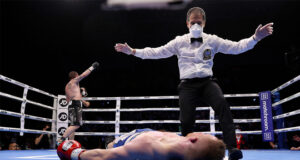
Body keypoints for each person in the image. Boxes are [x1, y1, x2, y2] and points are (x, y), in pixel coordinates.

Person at [115, 7, 273, 160]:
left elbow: (236, 47)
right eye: (192, 22)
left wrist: (255, 38)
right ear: (187, 24)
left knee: (223, 105)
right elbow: (157, 52)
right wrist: (133, 51)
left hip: (207, 82)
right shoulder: (179, 41)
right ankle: (184, 152)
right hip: (187, 85)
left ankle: (232, 149)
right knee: (186, 120)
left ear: (204, 23)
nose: (195, 25)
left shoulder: (212, 40)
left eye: (198, 22)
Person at [57, 128, 225, 160]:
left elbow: (105, 156)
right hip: (144, 133)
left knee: (110, 146)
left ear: (194, 139)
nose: (202, 132)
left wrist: (74, 153)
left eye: (205, 134)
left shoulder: (150, 147)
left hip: (126, 141)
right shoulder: (184, 146)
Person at [57, 62, 99, 145]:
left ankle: (70, 143)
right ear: (76, 75)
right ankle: (61, 139)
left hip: (71, 105)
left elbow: (68, 99)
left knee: (73, 126)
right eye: (78, 75)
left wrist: (81, 99)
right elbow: (84, 75)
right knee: (76, 125)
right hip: (75, 104)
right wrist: (92, 67)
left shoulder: (67, 86)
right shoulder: (74, 81)